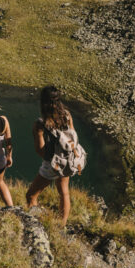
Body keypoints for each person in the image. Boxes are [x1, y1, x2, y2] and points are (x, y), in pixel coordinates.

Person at [25, 85, 86, 225]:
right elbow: (73, 138)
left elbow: (40, 150)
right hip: (67, 160)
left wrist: (52, 163)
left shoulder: (40, 124)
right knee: (64, 192)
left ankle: (36, 226)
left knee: (31, 196)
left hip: (52, 163)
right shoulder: (67, 115)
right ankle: (62, 224)